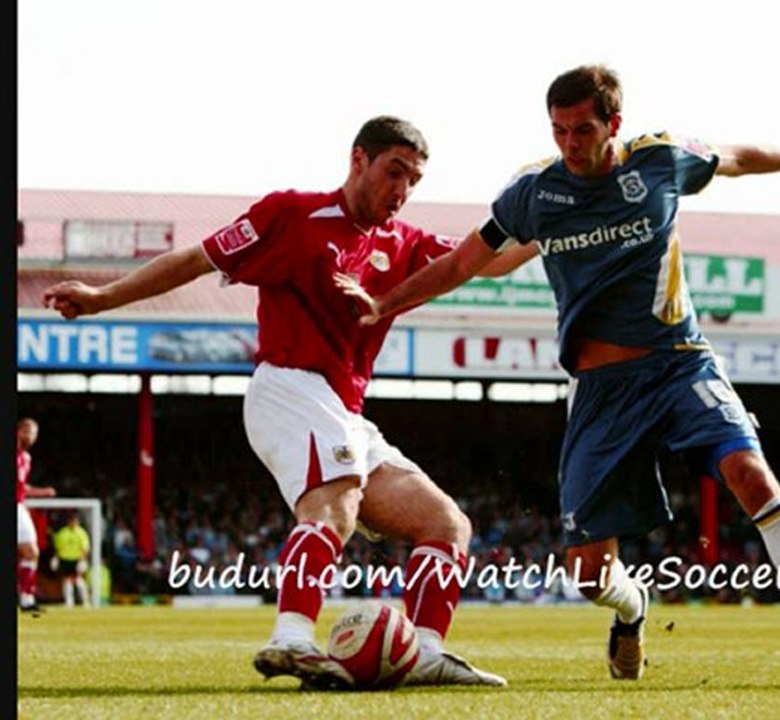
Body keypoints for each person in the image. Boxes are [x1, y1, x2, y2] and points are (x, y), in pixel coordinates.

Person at [335, 65, 780, 686]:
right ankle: (633, 610)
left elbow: (737, 156)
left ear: (613, 124)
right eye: (558, 131)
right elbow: (466, 262)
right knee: (588, 574)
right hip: (599, 394)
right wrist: (385, 303)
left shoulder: (659, 160)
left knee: (749, 472)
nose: (569, 144)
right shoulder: (535, 194)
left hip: (679, 364)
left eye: (582, 130)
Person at [43, 116, 525, 689]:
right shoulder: (291, 215)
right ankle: (291, 637)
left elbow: (487, 258)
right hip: (289, 386)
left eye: (413, 180)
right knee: (335, 503)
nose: (402, 190)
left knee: (446, 524)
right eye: (393, 172)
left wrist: (550, 225)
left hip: (346, 411)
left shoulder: (405, 243)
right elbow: (198, 259)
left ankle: (422, 652)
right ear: (358, 160)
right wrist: (103, 296)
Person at [16, 417, 57, 615]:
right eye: (28, 432)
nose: (31, 437)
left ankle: (26, 599)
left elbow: (22, 487)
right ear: (19, 431)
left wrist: (43, 492)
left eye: (34, 434)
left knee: (32, 552)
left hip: (19, 506)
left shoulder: (26, 458)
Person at [52, 512, 93, 609]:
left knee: (78, 580)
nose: (74, 523)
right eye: (72, 521)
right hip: (65, 559)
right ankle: (69, 602)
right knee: (67, 581)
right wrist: (56, 558)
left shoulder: (81, 533)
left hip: (77, 559)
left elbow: (85, 548)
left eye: (75, 521)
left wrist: (82, 560)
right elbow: (58, 547)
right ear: (68, 522)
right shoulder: (63, 533)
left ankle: (85, 601)